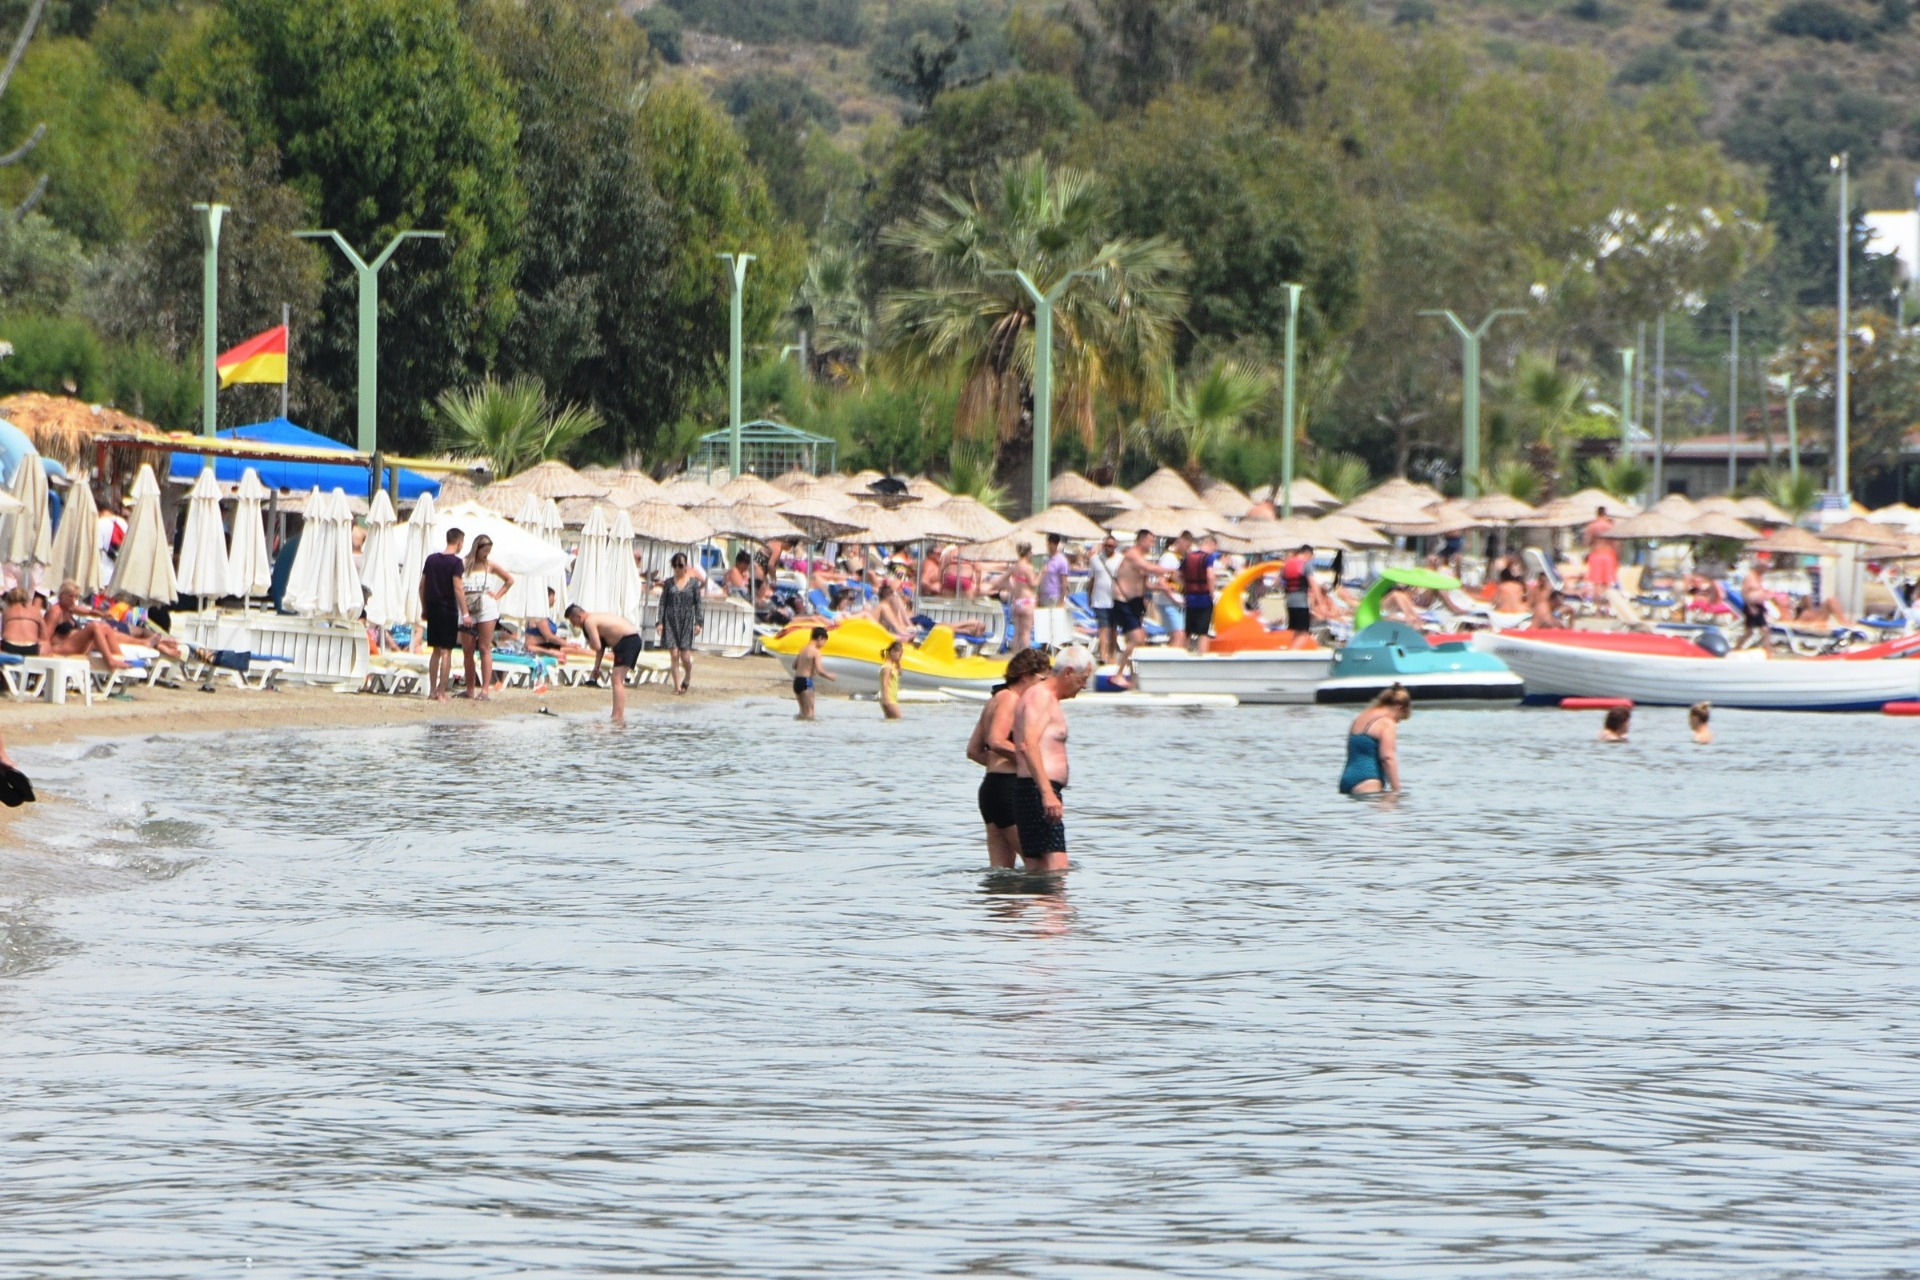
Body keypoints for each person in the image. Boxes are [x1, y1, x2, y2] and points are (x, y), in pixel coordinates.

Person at [965, 647, 1051, 868]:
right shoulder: (1011, 699)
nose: (1046, 685)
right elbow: (996, 740)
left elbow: (974, 751)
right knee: (1042, 866)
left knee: (1002, 872)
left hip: (991, 790)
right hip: (1008, 792)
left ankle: (1001, 903)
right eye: (1042, 679)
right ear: (1025, 676)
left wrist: (998, 765)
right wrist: (1032, 762)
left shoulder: (995, 698)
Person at [1011, 645, 1094, 871]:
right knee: (1056, 875)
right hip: (1038, 792)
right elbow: (1028, 744)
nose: (1084, 685)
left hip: (1038, 791)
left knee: (1043, 876)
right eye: (1083, 678)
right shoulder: (1041, 697)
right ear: (1068, 671)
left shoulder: (1046, 698)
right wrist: (1047, 794)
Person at [459, 534, 515, 700]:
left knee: (484, 647)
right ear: (477, 548)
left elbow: (509, 580)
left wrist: (497, 595)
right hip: (468, 604)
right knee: (467, 649)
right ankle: (470, 689)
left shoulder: (489, 565)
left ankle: (484, 690)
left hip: (486, 605)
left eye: (489, 551)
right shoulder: (464, 563)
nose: (487, 554)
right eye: (485, 550)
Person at [565, 604, 641, 724]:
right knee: (616, 679)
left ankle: (618, 715)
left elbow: (596, 645)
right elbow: (601, 647)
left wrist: (583, 646)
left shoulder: (589, 622)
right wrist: (597, 667)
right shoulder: (594, 619)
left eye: (572, 621)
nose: (573, 625)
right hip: (629, 640)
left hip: (627, 641)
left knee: (617, 679)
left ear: (578, 617)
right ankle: (616, 713)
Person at [420, 528, 468, 702]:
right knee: (446, 651)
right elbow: (458, 588)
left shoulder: (431, 559)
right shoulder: (456, 563)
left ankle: (432, 690)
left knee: (435, 651)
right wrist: (466, 613)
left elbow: (422, 586)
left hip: (432, 608)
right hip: (448, 608)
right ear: (459, 543)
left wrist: (424, 607)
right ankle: (441, 692)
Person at [1339, 683, 1411, 796]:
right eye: (1400, 718)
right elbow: (1387, 757)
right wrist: (1397, 790)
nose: (1397, 722)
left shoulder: (1361, 717)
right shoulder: (1387, 722)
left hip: (1347, 779)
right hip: (1369, 780)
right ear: (1399, 707)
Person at [1112, 529, 1164, 683]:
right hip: (1123, 602)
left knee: (1140, 640)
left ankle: (1133, 676)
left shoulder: (1142, 558)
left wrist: (1164, 588)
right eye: (1150, 541)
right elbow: (1151, 569)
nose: (1152, 544)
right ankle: (1118, 674)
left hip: (1136, 603)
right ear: (1141, 540)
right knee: (1136, 639)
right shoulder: (1132, 555)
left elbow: (1146, 583)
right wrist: (1173, 571)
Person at [655, 551, 704, 694]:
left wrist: (698, 622)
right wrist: (660, 623)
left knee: (685, 657)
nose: (677, 568)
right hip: (670, 620)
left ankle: (688, 676)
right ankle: (677, 687)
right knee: (674, 655)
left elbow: (698, 604)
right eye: (675, 565)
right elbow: (662, 603)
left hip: (687, 621)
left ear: (685, 566)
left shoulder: (694, 583)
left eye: (680, 565)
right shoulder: (669, 583)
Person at [997, 541, 1039, 652]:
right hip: (1027, 601)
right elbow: (1033, 583)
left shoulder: (1014, 567)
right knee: (1026, 632)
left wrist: (1011, 588)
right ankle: (1025, 657)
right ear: (1028, 553)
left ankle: (1014, 656)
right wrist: (1042, 574)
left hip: (1017, 601)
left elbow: (1001, 580)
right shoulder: (1028, 568)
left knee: (1017, 632)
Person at [1180, 533, 1219, 652]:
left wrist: (1185, 586)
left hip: (1190, 597)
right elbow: (1210, 575)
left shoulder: (1188, 557)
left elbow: (1177, 575)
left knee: (1188, 631)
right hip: (1204, 598)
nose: (1214, 551)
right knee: (1203, 632)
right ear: (1211, 544)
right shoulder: (1208, 557)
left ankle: (1182, 656)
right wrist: (1212, 593)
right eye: (1214, 548)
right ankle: (1203, 657)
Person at [1088, 532, 1119, 662]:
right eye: (1106, 545)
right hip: (1099, 600)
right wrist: (1089, 596)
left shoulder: (1120, 559)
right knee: (1103, 628)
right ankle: (1103, 655)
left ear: (1115, 547)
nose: (1108, 548)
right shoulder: (1095, 559)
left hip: (1115, 600)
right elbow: (1091, 579)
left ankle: (1111, 655)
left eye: (1111, 546)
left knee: (1113, 629)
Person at [792, 625, 835, 719]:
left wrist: (808, 668)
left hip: (797, 681)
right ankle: (809, 733)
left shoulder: (803, 649)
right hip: (806, 682)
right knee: (810, 713)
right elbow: (820, 670)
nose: (824, 644)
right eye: (824, 641)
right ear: (820, 638)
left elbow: (794, 666)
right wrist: (830, 676)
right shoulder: (816, 652)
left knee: (802, 713)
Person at [1157, 532, 1190, 650]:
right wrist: (1174, 599)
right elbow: (1161, 581)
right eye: (1187, 546)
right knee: (1179, 635)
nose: (1187, 549)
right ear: (1180, 542)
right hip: (1168, 603)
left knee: (1183, 636)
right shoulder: (1168, 557)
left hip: (1178, 602)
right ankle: (1167, 664)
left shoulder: (1179, 558)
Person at [1280, 544, 1315, 635]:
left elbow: (1278, 582)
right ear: (1308, 553)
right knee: (1302, 633)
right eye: (1311, 556)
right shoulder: (1306, 564)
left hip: (1289, 601)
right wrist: (1321, 603)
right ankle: (1296, 648)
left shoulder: (1286, 564)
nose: (1311, 559)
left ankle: (1290, 646)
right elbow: (1314, 585)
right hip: (1301, 603)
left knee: (1292, 629)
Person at [2, 587, 43, 656]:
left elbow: (3, 631)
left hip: (9, 646)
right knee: (46, 645)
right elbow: (44, 636)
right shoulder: (35, 611)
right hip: (31, 647)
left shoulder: (7, 611)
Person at [1039, 534, 1072, 607]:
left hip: (1054, 596)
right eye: (1049, 544)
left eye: (1053, 544)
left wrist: (1061, 601)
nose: (1050, 546)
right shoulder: (1046, 559)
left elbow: (1064, 582)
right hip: (1043, 595)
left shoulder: (1062, 561)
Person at [879, 640, 904, 720]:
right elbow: (884, 683)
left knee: (891, 722)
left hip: (892, 699)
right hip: (889, 699)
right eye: (899, 654)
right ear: (893, 652)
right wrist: (886, 699)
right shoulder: (887, 667)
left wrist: (898, 663)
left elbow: (899, 673)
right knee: (898, 719)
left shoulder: (892, 667)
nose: (899, 657)